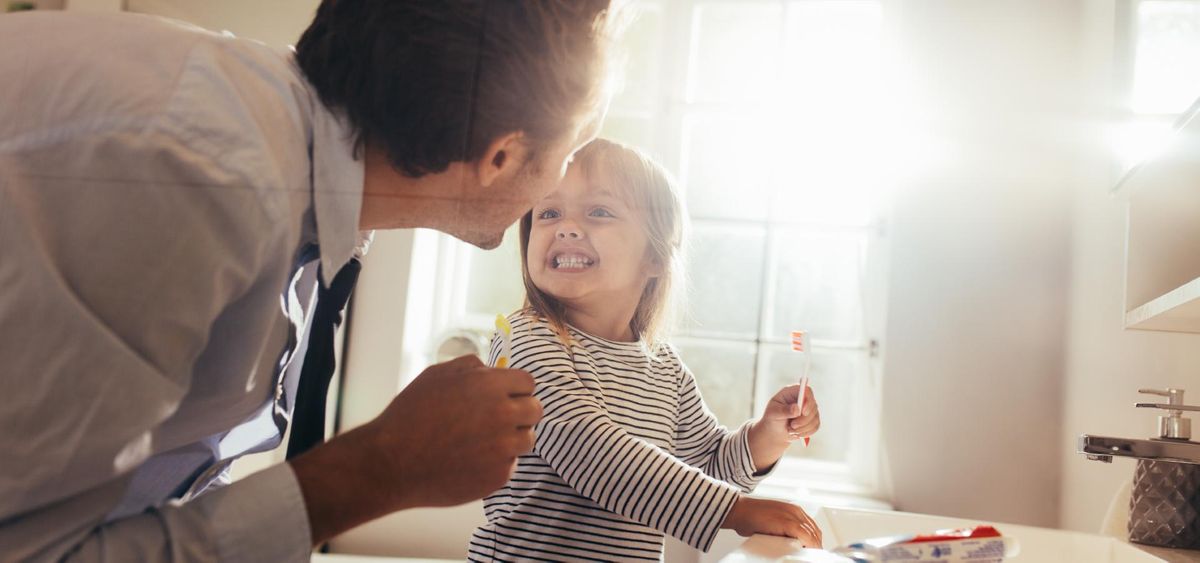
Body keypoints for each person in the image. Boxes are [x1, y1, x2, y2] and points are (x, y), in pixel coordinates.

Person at [0, 1, 617, 561]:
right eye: (572, 149)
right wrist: (381, 468)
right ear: (501, 157)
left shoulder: (285, 175)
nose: (562, 187)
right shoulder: (200, 180)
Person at [467, 139, 823, 561]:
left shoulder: (665, 370)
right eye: (548, 212)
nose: (565, 227)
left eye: (598, 212)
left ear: (654, 256)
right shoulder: (526, 339)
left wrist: (768, 436)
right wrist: (736, 511)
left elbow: (708, 467)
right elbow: (591, 452)